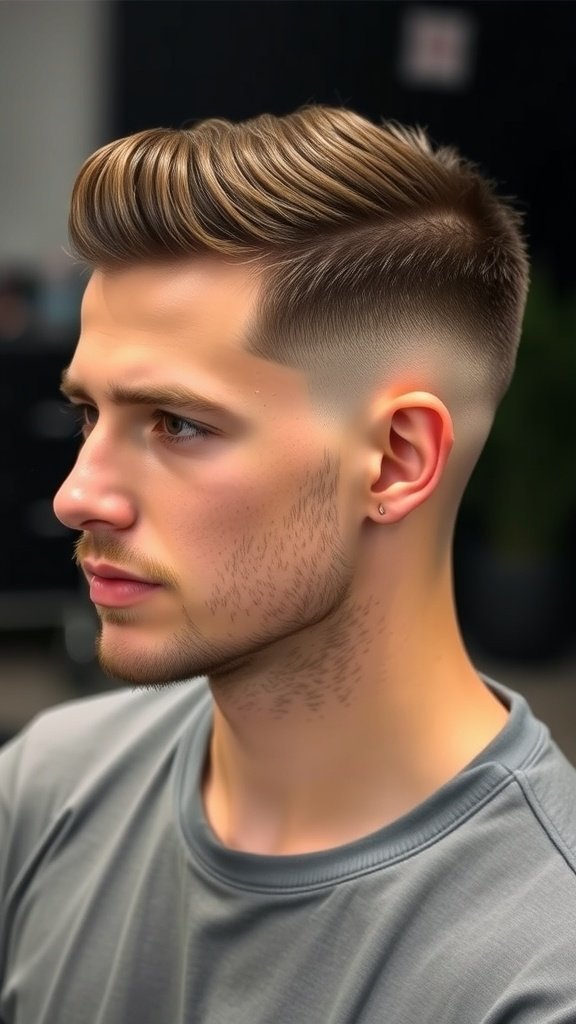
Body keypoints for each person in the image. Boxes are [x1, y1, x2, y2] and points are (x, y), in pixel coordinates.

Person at [1, 104, 575, 1024]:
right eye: (87, 416)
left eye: (177, 424)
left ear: (395, 460)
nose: (78, 495)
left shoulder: (538, 972)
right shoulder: (47, 786)